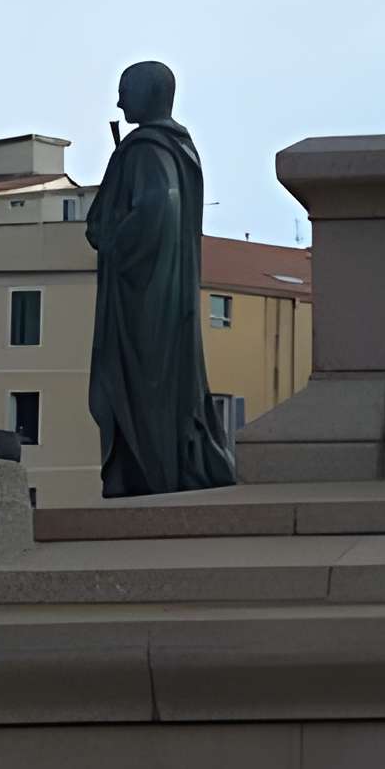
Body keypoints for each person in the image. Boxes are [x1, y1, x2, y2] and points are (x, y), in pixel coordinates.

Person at [87, 59, 238, 498]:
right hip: (170, 294)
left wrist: (113, 238)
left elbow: (159, 207)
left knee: (136, 389)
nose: (118, 100)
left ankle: (147, 472)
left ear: (148, 94)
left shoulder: (146, 150)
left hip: (143, 301)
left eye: (125, 90)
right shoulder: (179, 149)